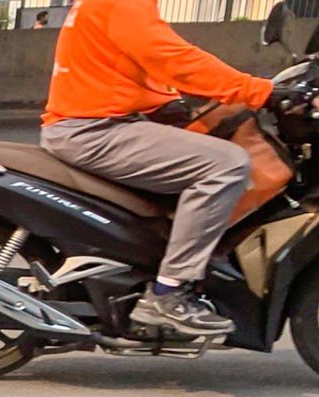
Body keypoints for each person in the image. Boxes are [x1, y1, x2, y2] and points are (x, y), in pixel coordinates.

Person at [40, 0, 279, 334]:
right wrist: (259, 91)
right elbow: (168, 56)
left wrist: (169, 105)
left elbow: (130, 61)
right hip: (95, 129)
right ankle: (168, 293)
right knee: (227, 164)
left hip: (99, 121)